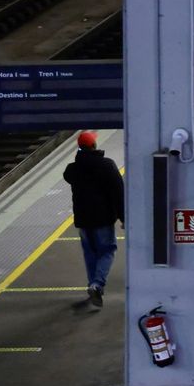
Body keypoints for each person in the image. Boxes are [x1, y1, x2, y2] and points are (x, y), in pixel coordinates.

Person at [63, 130, 123, 308]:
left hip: (83, 220)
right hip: (103, 218)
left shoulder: (72, 169)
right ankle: (97, 284)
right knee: (107, 250)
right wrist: (123, 217)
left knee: (90, 254)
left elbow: (69, 176)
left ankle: (92, 287)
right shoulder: (107, 166)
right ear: (94, 145)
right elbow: (118, 193)